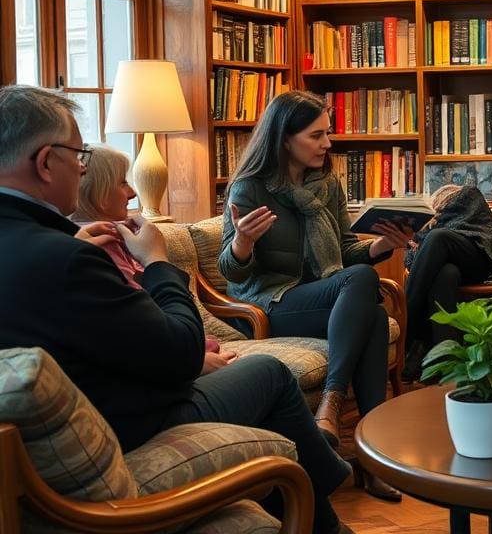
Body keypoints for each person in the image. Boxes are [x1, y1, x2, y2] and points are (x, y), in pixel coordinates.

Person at [0, 85, 354, 534]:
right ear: (46, 161)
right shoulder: (67, 261)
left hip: (45, 448)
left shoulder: (49, 251)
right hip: (128, 423)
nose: (82, 166)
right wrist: (158, 262)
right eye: (78, 154)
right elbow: (181, 353)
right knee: (268, 372)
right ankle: (328, 498)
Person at [219, 90, 408, 502]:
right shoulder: (249, 188)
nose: (327, 144)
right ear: (285, 138)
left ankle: (358, 445)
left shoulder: (328, 185)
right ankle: (345, 419)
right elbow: (229, 271)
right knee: (362, 290)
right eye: (316, 135)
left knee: (370, 309)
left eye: (328, 134)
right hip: (269, 304)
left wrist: (380, 246)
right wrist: (243, 243)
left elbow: (345, 252)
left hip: (322, 297)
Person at [71, 144, 237, 375]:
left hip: (168, 349)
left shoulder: (106, 239)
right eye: (122, 182)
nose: (132, 194)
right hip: (162, 359)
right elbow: (139, 328)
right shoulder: (102, 244)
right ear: (97, 193)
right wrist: (156, 260)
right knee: (270, 372)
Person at [402, 184, 492, 382]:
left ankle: (408, 328)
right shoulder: (430, 232)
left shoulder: (469, 196)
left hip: (482, 256)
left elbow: (443, 230)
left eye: (444, 203)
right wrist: (422, 233)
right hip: (455, 269)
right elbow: (411, 262)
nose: (440, 205)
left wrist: (432, 226)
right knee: (446, 274)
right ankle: (444, 360)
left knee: (438, 237)